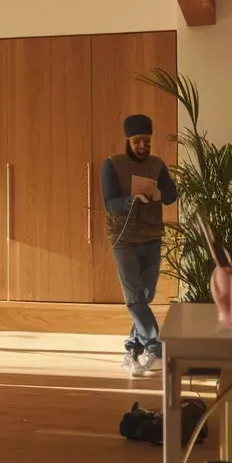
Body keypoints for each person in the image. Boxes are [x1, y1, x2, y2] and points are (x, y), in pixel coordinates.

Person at [101, 114, 179, 376]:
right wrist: (130, 200)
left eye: (146, 141)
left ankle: (132, 349)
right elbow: (109, 202)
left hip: (152, 237)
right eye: (137, 142)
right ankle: (155, 347)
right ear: (127, 141)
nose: (142, 147)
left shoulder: (157, 165)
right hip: (123, 238)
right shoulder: (112, 164)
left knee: (146, 295)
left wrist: (160, 193)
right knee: (134, 296)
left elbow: (171, 195)